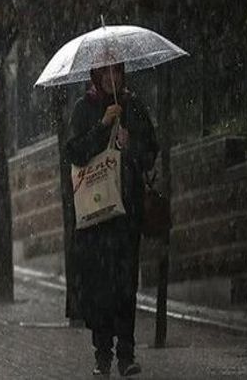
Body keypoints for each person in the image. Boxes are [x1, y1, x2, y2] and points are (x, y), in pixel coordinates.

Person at [65, 62, 158, 377]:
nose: (111, 78)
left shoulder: (133, 106)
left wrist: (132, 146)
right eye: (104, 73)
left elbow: (150, 153)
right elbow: (74, 152)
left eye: (116, 71)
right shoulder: (84, 109)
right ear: (96, 76)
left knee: (126, 285)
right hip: (96, 215)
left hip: (126, 212)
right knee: (100, 286)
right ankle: (102, 354)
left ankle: (126, 354)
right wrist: (102, 126)